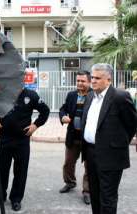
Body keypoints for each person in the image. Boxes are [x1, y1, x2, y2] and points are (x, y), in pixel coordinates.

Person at [82, 63, 137, 214]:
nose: (93, 81)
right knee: (94, 194)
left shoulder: (120, 97)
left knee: (108, 198)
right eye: (92, 77)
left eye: (98, 78)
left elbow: (132, 125)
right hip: (91, 153)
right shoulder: (90, 96)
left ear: (108, 79)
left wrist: (116, 143)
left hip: (111, 156)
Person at [0, 87, 50, 211]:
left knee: (20, 171)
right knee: (1, 170)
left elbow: (45, 111)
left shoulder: (31, 95)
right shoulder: (2, 92)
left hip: (22, 140)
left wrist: (35, 125)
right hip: (4, 139)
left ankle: (16, 199)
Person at [59, 70, 91, 204]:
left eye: (83, 81)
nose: (79, 83)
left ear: (89, 81)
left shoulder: (94, 96)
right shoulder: (71, 95)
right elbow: (63, 108)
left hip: (88, 138)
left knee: (89, 167)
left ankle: (87, 191)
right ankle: (70, 182)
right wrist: (63, 116)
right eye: (78, 81)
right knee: (68, 163)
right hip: (72, 136)